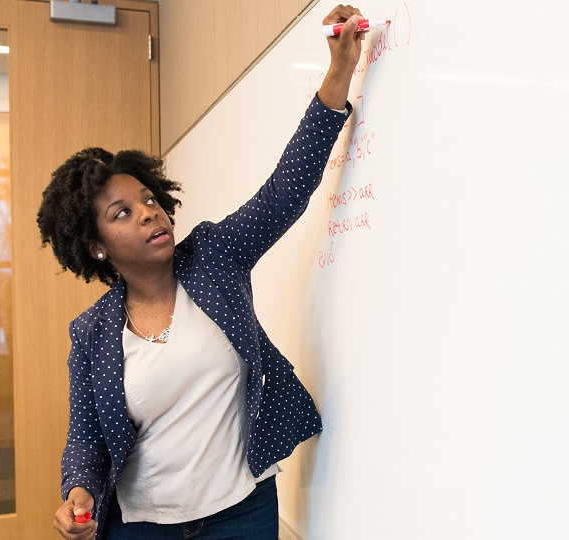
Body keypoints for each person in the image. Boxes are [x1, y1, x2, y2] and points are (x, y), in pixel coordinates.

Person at [38, 5, 365, 539]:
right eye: (122, 213)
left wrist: (338, 71)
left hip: (243, 511)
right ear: (95, 246)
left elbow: (285, 190)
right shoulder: (92, 333)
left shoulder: (215, 256)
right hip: (143, 525)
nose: (148, 212)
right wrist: (77, 492)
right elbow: (86, 436)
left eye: (148, 199)